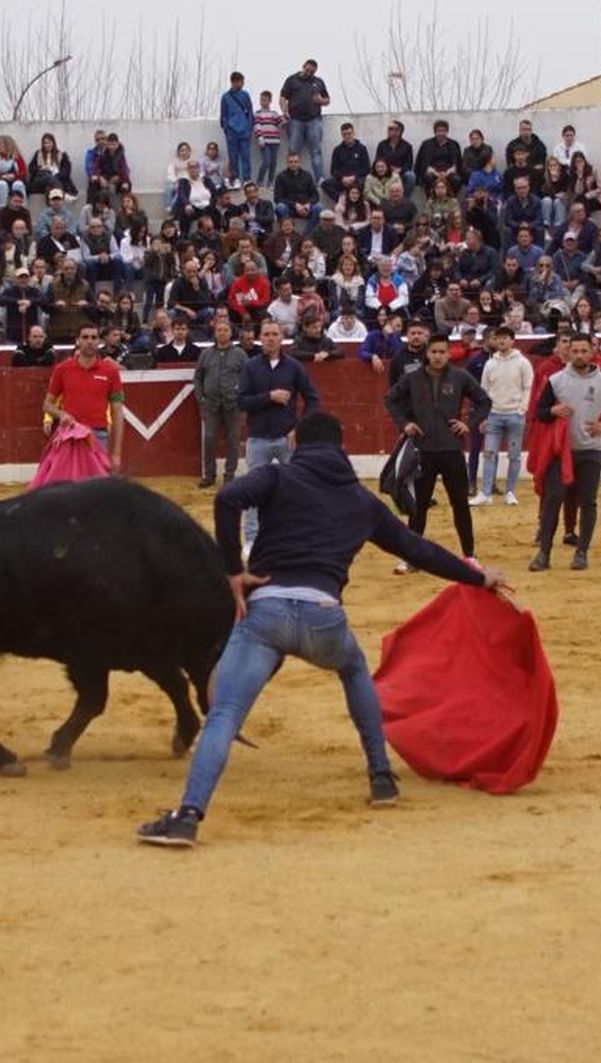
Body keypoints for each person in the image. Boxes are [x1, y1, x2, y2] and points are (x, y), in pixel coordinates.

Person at [136, 411, 506, 848]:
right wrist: (476, 577)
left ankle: (188, 817)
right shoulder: (360, 500)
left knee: (224, 713)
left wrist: (233, 570)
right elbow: (417, 548)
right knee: (353, 669)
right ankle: (381, 776)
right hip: (324, 615)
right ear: (341, 447)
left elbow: (227, 499)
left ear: (295, 441)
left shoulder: (277, 478)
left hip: (266, 616)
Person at [529, 333, 601, 572]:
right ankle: (544, 553)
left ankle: (581, 553)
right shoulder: (556, 380)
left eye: (583, 351)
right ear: (568, 352)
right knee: (552, 500)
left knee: (588, 502)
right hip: (561, 452)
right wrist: (554, 410)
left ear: (592, 353)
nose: (578, 355)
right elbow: (539, 411)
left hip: (590, 451)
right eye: (574, 350)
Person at [386, 333, 489, 571]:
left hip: (452, 450)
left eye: (442, 352)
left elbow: (484, 401)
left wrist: (469, 423)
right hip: (423, 451)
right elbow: (391, 399)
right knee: (418, 506)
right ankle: (412, 558)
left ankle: (469, 555)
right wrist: (405, 424)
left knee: (460, 504)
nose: (438, 356)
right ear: (427, 353)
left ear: (448, 353)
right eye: (434, 352)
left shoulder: (460, 376)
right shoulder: (412, 378)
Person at [236, 319, 321, 552]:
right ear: (259, 338)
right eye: (266, 334)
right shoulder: (251, 367)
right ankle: (252, 539)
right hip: (258, 437)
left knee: (297, 488)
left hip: (287, 437)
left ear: (281, 338)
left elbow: (313, 399)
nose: (270, 338)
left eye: (274, 334)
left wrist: (300, 428)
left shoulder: (294, 367)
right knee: (254, 491)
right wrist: (269, 397)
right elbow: (241, 401)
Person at [42, 324, 125, 471]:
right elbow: (47, 405)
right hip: (70, 435)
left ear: (99, 341)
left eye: (94, 337)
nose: (90, 341)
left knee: (95, 487)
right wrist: (61, 414)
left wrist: (117, 454)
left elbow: (117, 412)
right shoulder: (62, 369)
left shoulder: (110, 372)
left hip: (98, 435)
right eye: (85, 337)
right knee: (70, 484)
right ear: (77, 341)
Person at [472, 324, 532, 506]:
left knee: (514, 455)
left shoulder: (522, 362)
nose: (501, 341)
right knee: (489, 453)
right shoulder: (490, 363)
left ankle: (510, 492)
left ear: (512, 341)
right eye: (498, 338)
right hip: (494, 415)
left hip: (515, 414)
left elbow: (527, 387)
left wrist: (522, 409)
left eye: (505, 338)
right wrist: (484, 415)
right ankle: (486, 493)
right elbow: (484, 390)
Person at [193, 317, 247, 487]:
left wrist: (243, 400)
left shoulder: (240, 354)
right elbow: (198, 377)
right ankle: (210, 475)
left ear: (231, 333)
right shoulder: (205, 354)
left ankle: (229, 475)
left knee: (233, 438)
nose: (222, 333)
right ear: (215, 333)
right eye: (219, 330)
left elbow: (247, 378)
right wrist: (200, 398)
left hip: (233, 404)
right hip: (211, 404)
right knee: (209, 438)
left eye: (225, 330)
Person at [279, 59, 330, 177]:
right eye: (307, 70)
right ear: (303, 67)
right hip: (295, 120)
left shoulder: (318, 82)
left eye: (312, 72)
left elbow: (327, 100)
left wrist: (321, 101)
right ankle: (291, 178)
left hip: (314, 120)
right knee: (293, 151)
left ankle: (319, 179)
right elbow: (282, 98)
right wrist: (285, 112)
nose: (309, 73)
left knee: (316, 151)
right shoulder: (292, 80)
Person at [219, 72, 255, 183]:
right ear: (234, 81)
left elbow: (250, 112)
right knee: (233, 156)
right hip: (231, 131)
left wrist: (249, 128)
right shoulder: (225, 97)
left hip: (244, 130)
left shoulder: (245, 95)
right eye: (241, 81)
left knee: (245, 156)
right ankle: (235, 178)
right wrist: (226, 128)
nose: (242, 84)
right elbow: (223, 114)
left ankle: (247, 178)